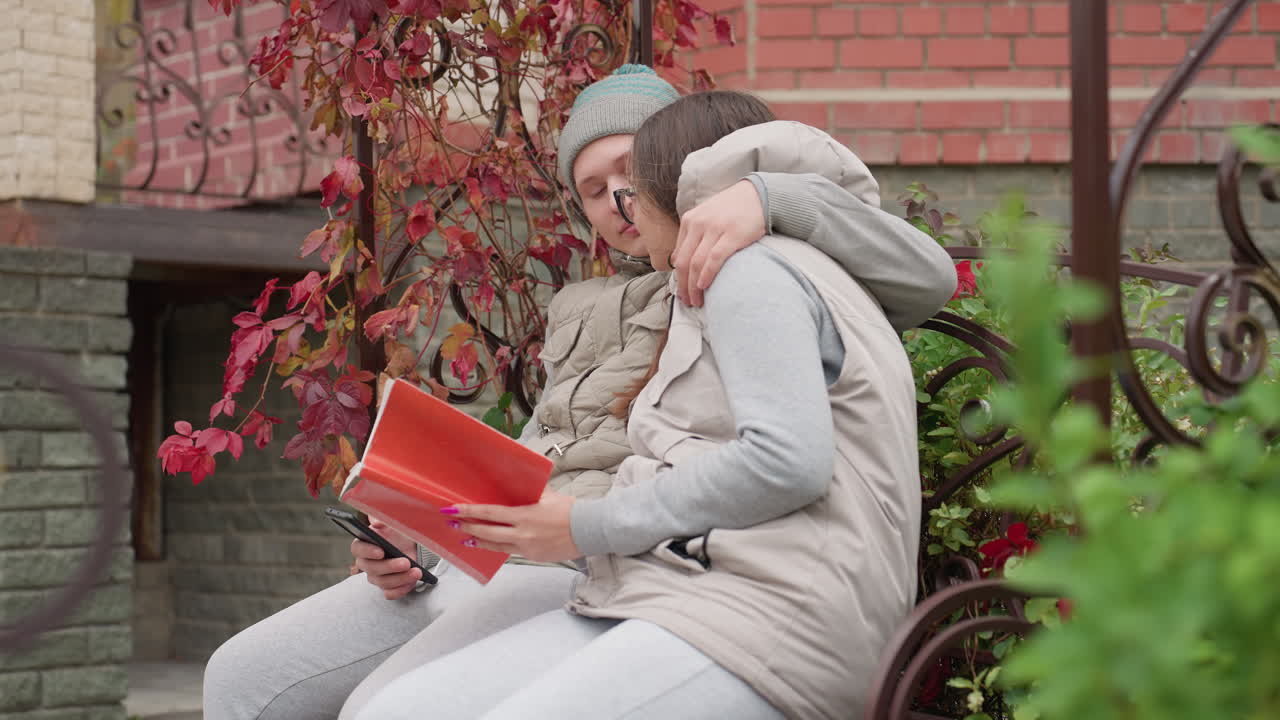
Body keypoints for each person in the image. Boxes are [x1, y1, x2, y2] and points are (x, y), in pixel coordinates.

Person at [203, 68, 953, 719]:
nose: (621, 200)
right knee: (251, 676)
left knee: (386, 708)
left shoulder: (728, 266)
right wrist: (423, 523)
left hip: (627, 567)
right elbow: (548, 453)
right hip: (563, 551)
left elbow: (918, 284)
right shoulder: (588, 304)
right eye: (594, 189)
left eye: (633, 172)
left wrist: (762, 195)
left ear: (682, 172)